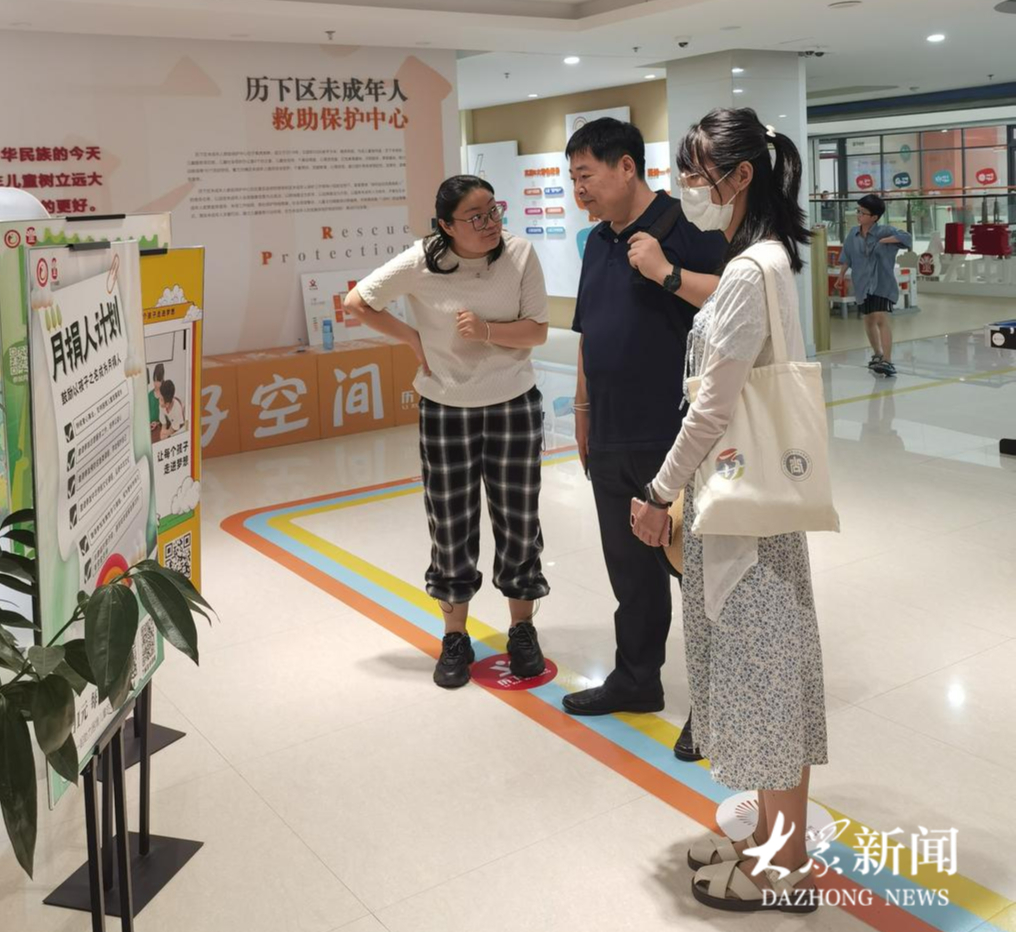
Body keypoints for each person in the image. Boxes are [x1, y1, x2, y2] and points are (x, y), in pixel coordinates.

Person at [632, 107, 828, 913]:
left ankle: (786, 870)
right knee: (768, 682)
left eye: (697, 172)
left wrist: (658, 491)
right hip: (753, 506)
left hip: (743, 513)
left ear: (741, 176)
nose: (688, 187)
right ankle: (771, 846)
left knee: (767, 687)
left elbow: (712, 407)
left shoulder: (750, 272)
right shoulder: (765, 260)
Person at [562, 117, 726, 764]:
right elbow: (588, 333)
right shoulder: (597, 242)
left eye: (586, 175)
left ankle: (713, 705)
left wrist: (665, 272)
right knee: (630, 572)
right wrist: (581, 410)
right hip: (610, 432)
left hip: (676, 436)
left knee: (697, 575)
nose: (579, 189)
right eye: (573, 179)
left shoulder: (690, 232)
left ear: (626, 166)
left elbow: (732, 310)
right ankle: (636, 679)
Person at [345, 175, 551, 690]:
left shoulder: (519, 254)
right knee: (451, 522)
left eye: (493, 211)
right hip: (446, 407)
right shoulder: (421, 260)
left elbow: (538, 331)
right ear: (446, 225)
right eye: (475, 217)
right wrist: (413, 339)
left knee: (519, 519)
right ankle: (455, 636)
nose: (490, 224)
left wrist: (486, 331)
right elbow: (357, 302)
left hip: (513, 403)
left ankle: (522, 629)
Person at [836, 194, 912, 377]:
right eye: (858, 211)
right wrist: (841, 275)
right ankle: (877, 354)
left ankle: (887, 360)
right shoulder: (853, 234)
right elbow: (847, 256)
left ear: (874, 217)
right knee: (869, 319)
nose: (858, 215)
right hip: (862, 283)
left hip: (881, 283)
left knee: (880, 317)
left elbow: (907, 238)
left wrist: (885, 241)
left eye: (863, 213)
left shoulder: (885, 231)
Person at [149, 363, 164, 429]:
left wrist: (157, 423)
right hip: (151, 428)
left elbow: (169, 416)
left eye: (158, 381)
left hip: (162, 426)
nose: (155, 384)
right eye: (154, 380)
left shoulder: (165, 394)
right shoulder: (149, 395)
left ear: (162, 380)